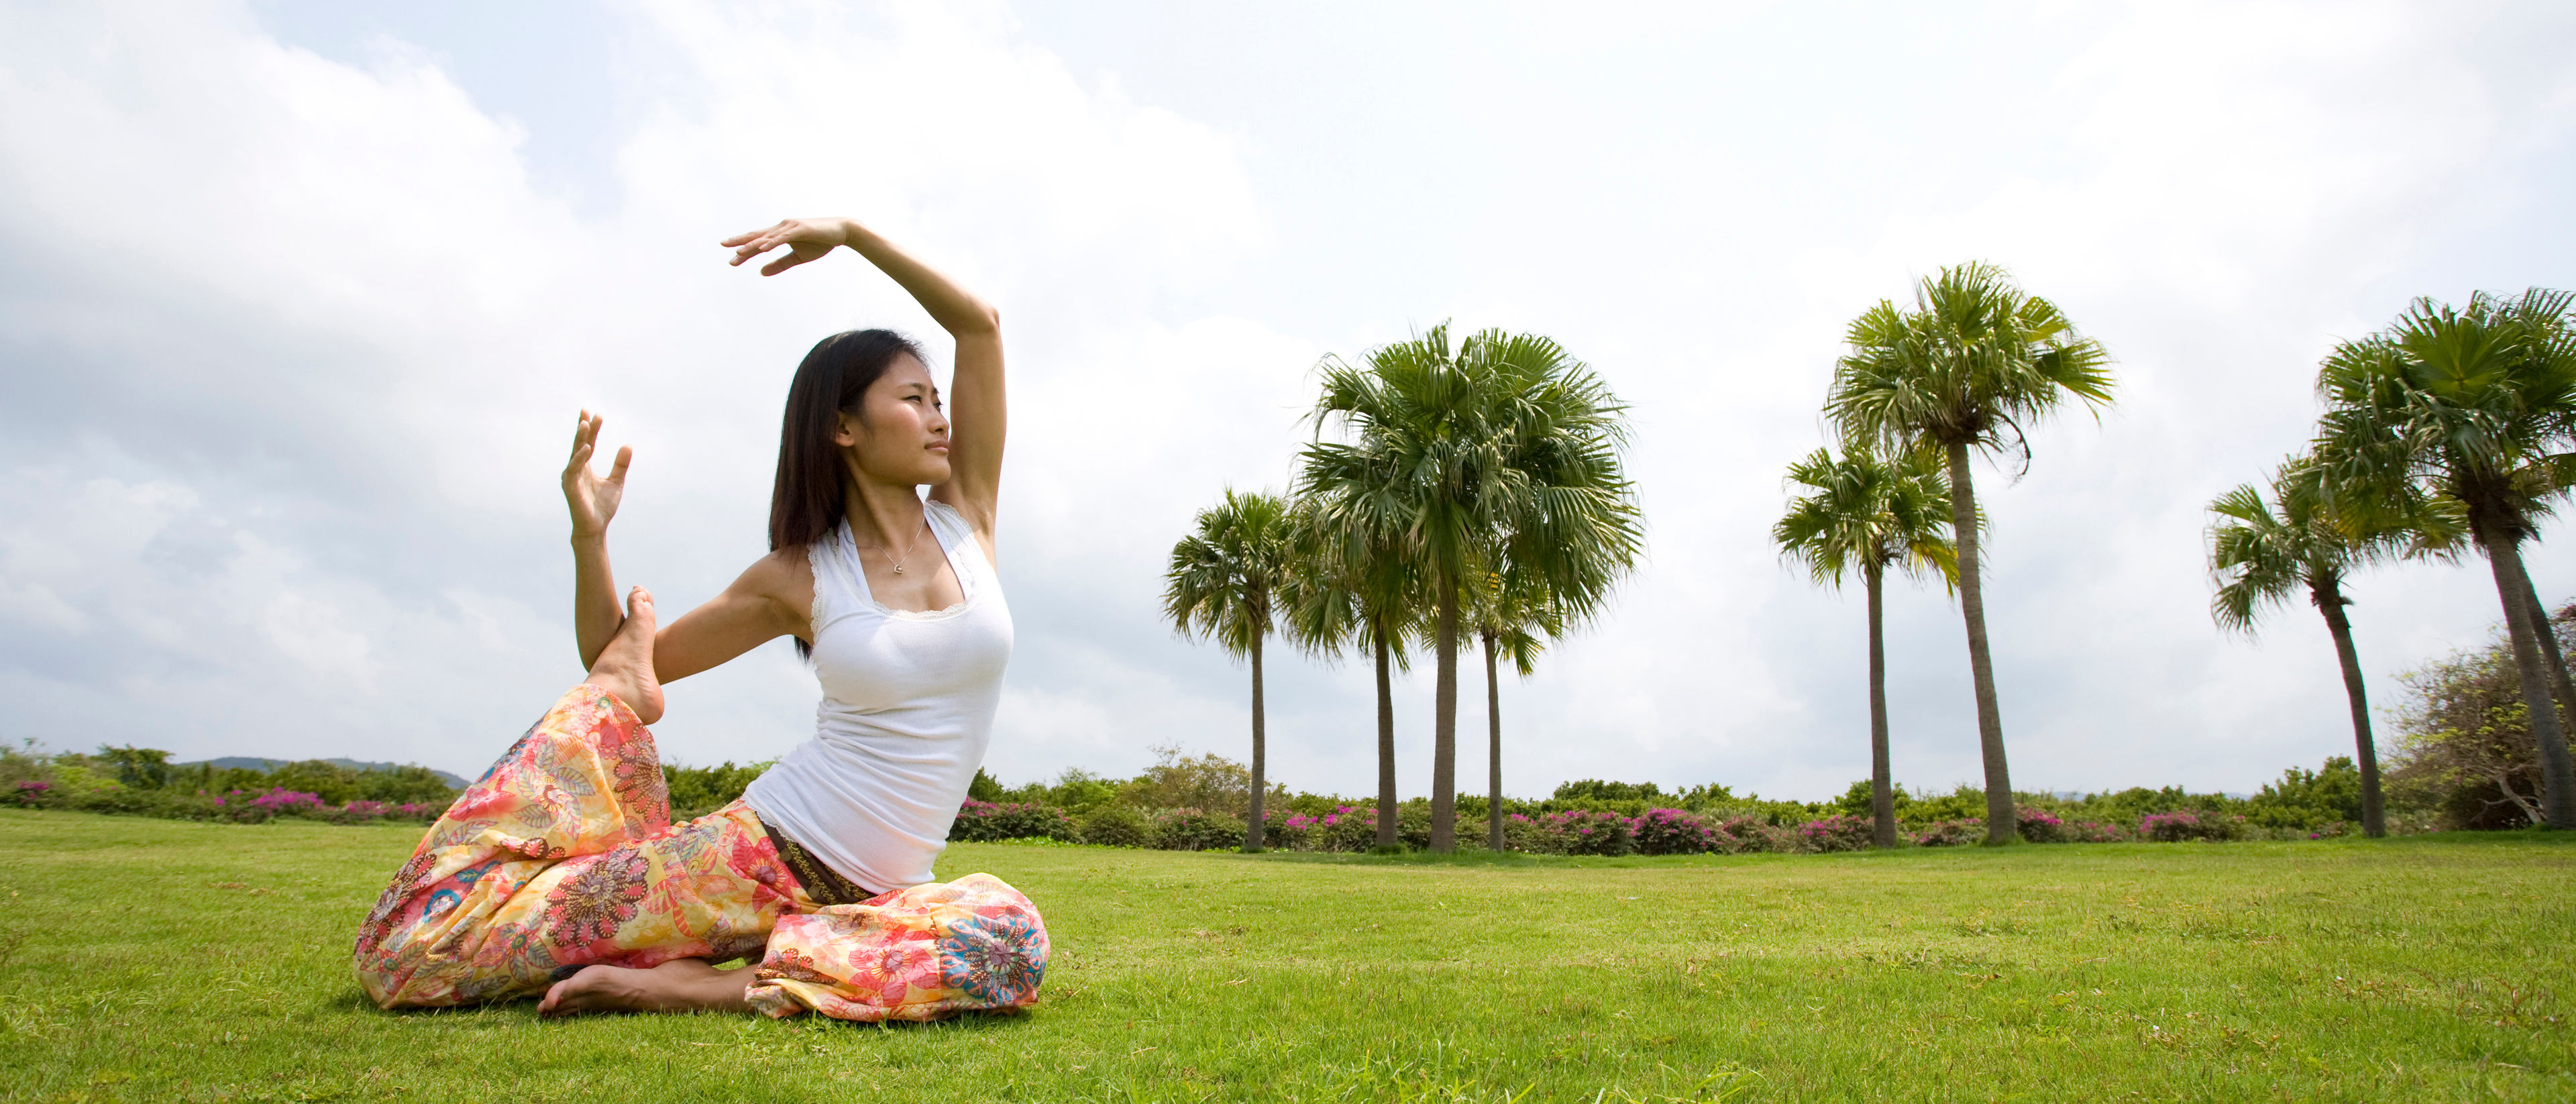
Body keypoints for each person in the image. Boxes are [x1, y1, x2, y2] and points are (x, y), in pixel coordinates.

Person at [351, 217, 1046, 1022]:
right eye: (914, 400)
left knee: (1008, 940)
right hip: (753, 855)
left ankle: (691, 985)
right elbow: (623, 662)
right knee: (418, 959)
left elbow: (979, 325)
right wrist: (590, 537)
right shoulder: (799, 574)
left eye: (938, 399)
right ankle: (775, 958)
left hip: (887, 893)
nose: (939, 418)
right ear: (843, 427)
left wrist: (854, 236)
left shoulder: (968, 519)